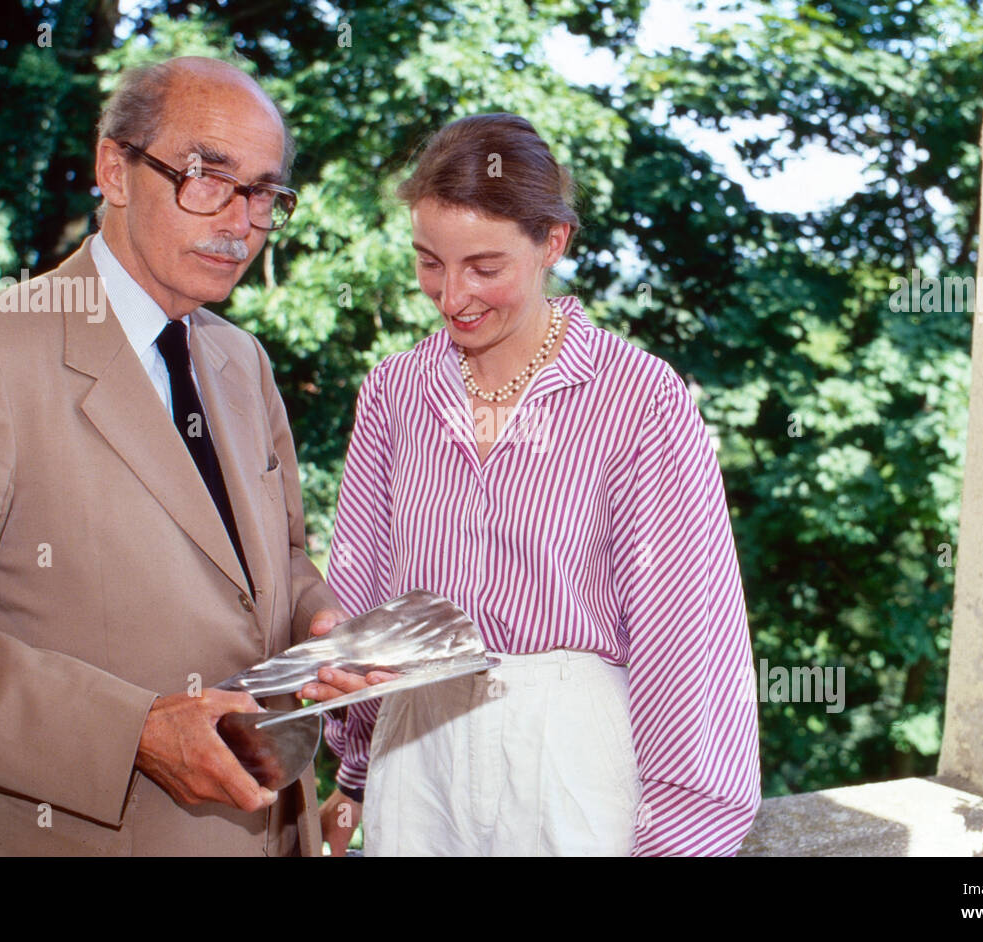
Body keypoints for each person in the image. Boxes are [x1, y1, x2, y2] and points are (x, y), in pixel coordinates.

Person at [0, 56, 349, 856]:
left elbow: (276, 565)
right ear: (114, 168)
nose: (240, 221)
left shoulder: (242, 361)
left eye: (263, 193)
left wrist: (322, 625)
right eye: (206, 178)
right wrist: (134, 733)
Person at [307, 113, 761, 856]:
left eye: (485, 267)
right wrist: (354, 775)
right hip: (414, 757)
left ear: (554, 241)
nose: (453, 296)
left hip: (573, 761)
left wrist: (683, 837)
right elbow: (362, 594)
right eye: (429, 262)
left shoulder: (639, 396)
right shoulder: (393, 390)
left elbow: (686, 636)